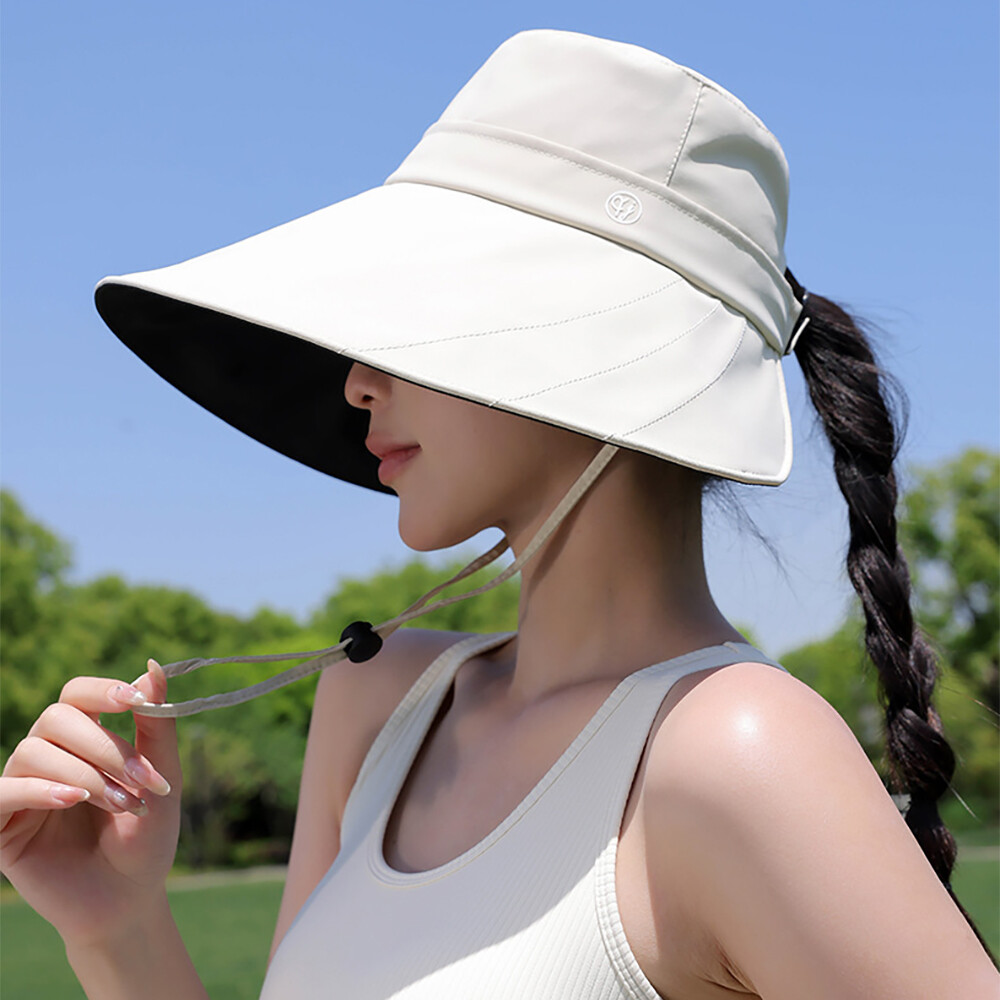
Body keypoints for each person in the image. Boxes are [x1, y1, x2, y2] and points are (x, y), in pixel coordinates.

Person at [1, 28, 996, 1000]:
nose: (355, 381)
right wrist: (117, 929)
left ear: (606, 342)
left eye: (417, 311)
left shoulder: (735, 754)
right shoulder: (376, 703)